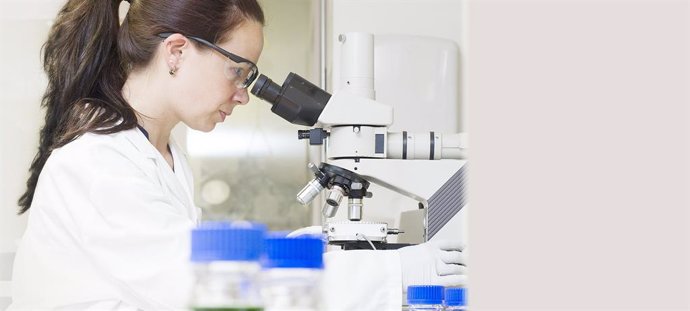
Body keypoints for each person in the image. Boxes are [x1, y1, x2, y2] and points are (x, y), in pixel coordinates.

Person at [9, 0, 465, 310]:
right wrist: (396, 271)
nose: (244, 94)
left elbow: (205, 263)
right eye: (238, 71)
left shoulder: (160, 155)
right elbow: (212, 289)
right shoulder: (98, 164)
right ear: (177, 52)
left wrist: (304, 248)